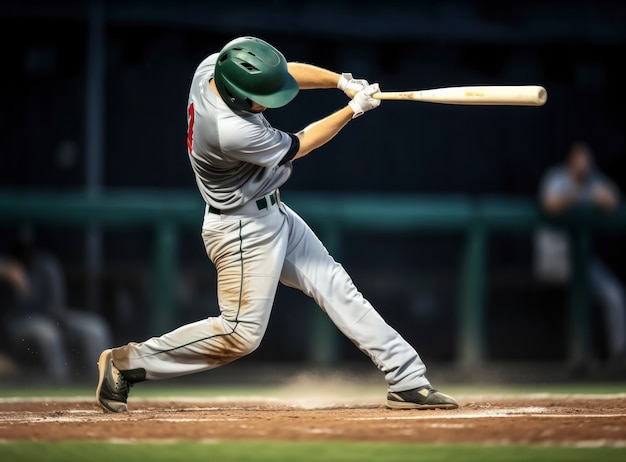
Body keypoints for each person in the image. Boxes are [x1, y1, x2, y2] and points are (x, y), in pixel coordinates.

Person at [96, 36, 458, 412]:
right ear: (236, 96)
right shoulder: (231, 130)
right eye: (257, 98)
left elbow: (282, 77)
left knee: (336, 287)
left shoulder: (212, 68)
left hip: (272, 213)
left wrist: (340, 81)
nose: (268, 103)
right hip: (241, 230)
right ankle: (127, 363)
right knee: (240, 335)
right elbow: (302, 143)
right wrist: (353, 110)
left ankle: (407, 378)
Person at [534, 140, 626, 364]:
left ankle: (619, 353)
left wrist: (603, 198)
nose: (583, 165)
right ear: (570, 162)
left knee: (614, 293)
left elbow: (614, 201)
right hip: (553, 259)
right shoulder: (557, 178)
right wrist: (577, 196)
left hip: (581, 260)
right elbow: (549, 205)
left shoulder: (593, 181)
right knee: (582, 293)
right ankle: (582, 355)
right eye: (579, 160)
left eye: (587, 161)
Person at [1, 236, 114, 383]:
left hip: (52, 316)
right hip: (18, 322)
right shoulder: (8, 265)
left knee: (95, 327)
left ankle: (103, 382)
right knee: (47, 333)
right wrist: (5, 268)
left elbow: (55, 307)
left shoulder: (47, 265)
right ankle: (60, 383)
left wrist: (58, 318)